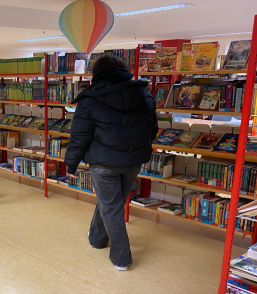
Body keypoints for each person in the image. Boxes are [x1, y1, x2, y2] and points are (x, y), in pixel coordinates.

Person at [64, 55, 158, 271]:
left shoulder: (89, 100)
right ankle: (97, 238)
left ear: (97, 74)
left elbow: (79, 136)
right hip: (134, 161)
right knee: (112, 203)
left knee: (111, 206)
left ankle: (122, 258)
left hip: (103, 163)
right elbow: (152, 128)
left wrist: (71, 164)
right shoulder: (144, 95)